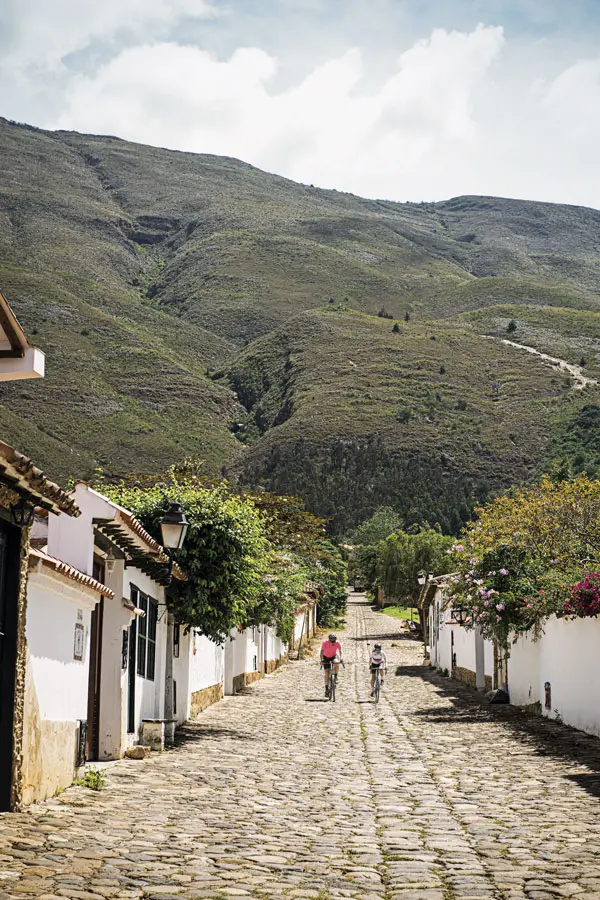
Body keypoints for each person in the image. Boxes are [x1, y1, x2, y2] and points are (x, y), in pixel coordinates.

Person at [320, 633, 343, 697]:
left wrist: (341, 658)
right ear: (329, 640)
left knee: (336, 662)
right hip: (326, 657)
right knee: (327, 672)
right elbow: (322, 651)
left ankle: (336, 675)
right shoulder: (325, 643)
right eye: (331, 640)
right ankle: (326, 688)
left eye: (334, 640)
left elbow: (340, 651)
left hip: (333, 656)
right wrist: (321, 660)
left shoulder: (337, 643)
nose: (333, 642)